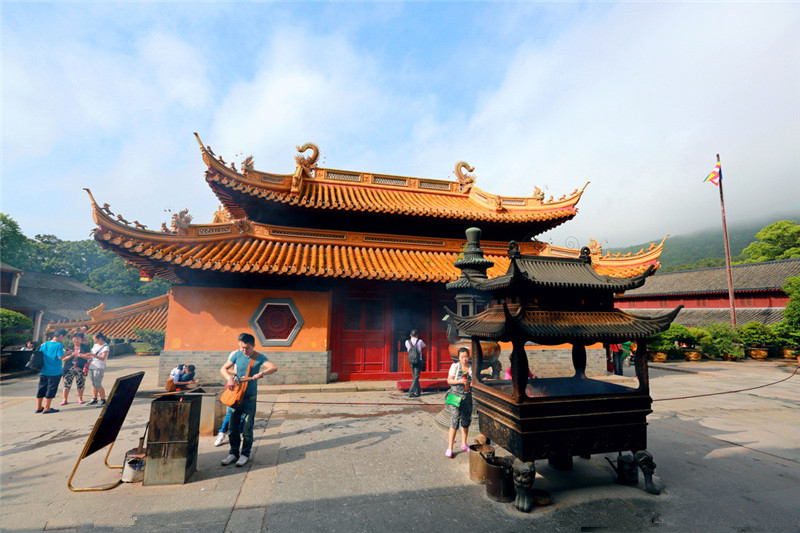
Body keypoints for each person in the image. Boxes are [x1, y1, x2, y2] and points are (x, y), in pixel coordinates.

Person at [219, 333, 277, 467]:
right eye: (242, 347)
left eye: (247, 347)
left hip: (249, 398)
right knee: (232, 428)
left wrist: (261, 373)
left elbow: (273, 367)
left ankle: (245, 454)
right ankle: (233, 453)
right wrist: (229, 378)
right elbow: (223, 368)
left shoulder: (259, 357)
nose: (244, 350)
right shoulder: (237, 355)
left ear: (253, 346)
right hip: (235, 396)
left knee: (247, 427)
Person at [445, 347, 473, 458]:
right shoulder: (455, 367)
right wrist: (461, 381)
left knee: (466, 419)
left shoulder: (471, 367)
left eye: (466, 356)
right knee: (454, 420)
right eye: (462, 357)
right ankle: (450, 447)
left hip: (467, 396)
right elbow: (449, 381)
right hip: (455, 396)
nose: (465, 359)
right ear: (459, 358)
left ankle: (464, 444)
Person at [35, 329, 67, 414]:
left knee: (41, 388)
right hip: (54, 371)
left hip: (44, 370)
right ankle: (47, 407)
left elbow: (40, 354)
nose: (63, 339)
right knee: (51, 389)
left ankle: (39, 407)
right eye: (64, 337)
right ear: (61, 336)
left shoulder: (44, 344)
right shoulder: (58, 345)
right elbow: (61, 357)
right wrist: (68, 353)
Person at [61, 332, 91, 405]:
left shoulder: (85, 347)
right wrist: (71, 355)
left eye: (78, 339)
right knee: (67, 384)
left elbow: (89, 356)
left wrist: (79, 355)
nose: (76, 341)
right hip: (69, 368)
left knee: (80, 383)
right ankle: (64, 399)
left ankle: (80, 398)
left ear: (81, 340)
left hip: (81, 367)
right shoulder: (69, 348)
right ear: (72, 340)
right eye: (74, 339)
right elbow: (63, 358)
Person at [87, 332, 110, 406]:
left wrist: (93, 355)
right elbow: (92, 355)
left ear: (100, 338)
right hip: (92, 365)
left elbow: (103, 358)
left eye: (94, 339)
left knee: (98, 383)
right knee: (93, 383)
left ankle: (103, 399)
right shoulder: (95, 345)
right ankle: (94, 398)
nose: (93, 340)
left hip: (99, 366)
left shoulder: (105, 347)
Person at [405, 329, 426, 398]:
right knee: (416, 377)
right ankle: (411, 392)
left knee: (415, 376)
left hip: (411, 360)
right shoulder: (420, 341)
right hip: (418, 360)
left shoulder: (407, 342)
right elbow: (424, 346)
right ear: (417, 335)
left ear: (410, 335)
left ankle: (418, 391)